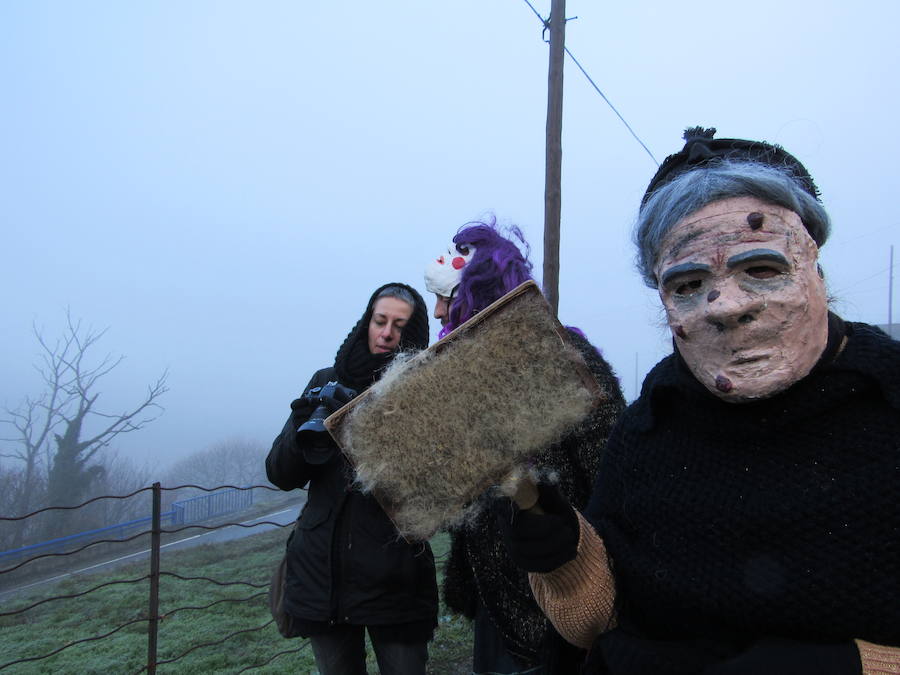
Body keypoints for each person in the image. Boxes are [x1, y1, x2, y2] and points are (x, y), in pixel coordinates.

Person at [502, 128, 900, 674]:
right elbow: (598, 622)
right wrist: (565, 556)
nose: (725, 306)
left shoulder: (889, 402)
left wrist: (856, 666)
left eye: (760, 269)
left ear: (813, 266)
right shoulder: (650, 427)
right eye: (688, 283)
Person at [424, 218, 626, 674]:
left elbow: (610, 475)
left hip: (563, 591)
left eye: (444, 299)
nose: (437, 313)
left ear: (476, 299)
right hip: (494, 596)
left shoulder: (563, 358)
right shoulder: (456, 378)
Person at [266, 282, 438, 675]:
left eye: (398, 325)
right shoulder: (326, 377)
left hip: (395, 584)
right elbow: (279, 474)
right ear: (367, 322)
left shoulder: (425, 393)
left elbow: (430, 490)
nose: (386, 333)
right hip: (322, 580)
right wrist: (301, 427)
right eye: (379, 321)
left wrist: (367, 431)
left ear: (411, 334)